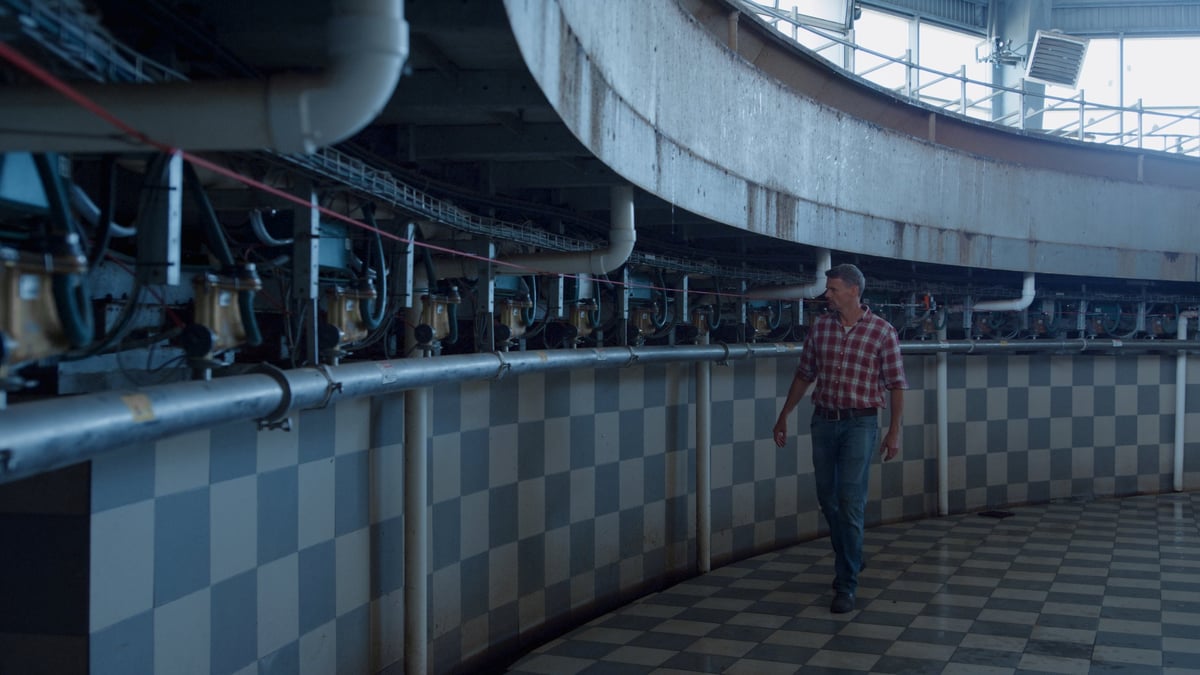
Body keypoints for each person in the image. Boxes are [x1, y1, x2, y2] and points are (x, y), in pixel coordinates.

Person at [773, 263, 907, 614]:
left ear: (853, 291)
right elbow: (805, 374)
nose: (827, 295)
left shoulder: (882, 332)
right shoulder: (820, 328)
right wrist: (784, 415)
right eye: (828, 289)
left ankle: (846, 584)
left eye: (833, 289)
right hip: (824, 422)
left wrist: (894, 431)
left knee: (850, 501)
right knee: (828, 499)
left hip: (860, 424)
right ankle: (852, 554)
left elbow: (896, 385)